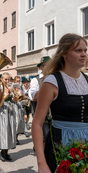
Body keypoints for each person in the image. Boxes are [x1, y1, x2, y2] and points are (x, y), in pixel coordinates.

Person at [32, 33, 88, 172]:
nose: (84, 54)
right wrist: (41, 163)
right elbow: (37, 123)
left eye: (85, 50)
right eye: (78, 51)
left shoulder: (86, 80)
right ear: (64, 54)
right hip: (61, 142)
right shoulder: (52, 81)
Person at [0, 72, 16, 162]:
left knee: (10, 130)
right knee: (3, 131)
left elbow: (14, 101)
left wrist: (15, 95)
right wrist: (7, 94)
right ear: (2, 79)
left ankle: (6, 152)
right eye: (5, 79)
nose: (7, 81)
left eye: (9, 79)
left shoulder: (10, 88)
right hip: (2, 110)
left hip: (10, 110)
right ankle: (3, 152)